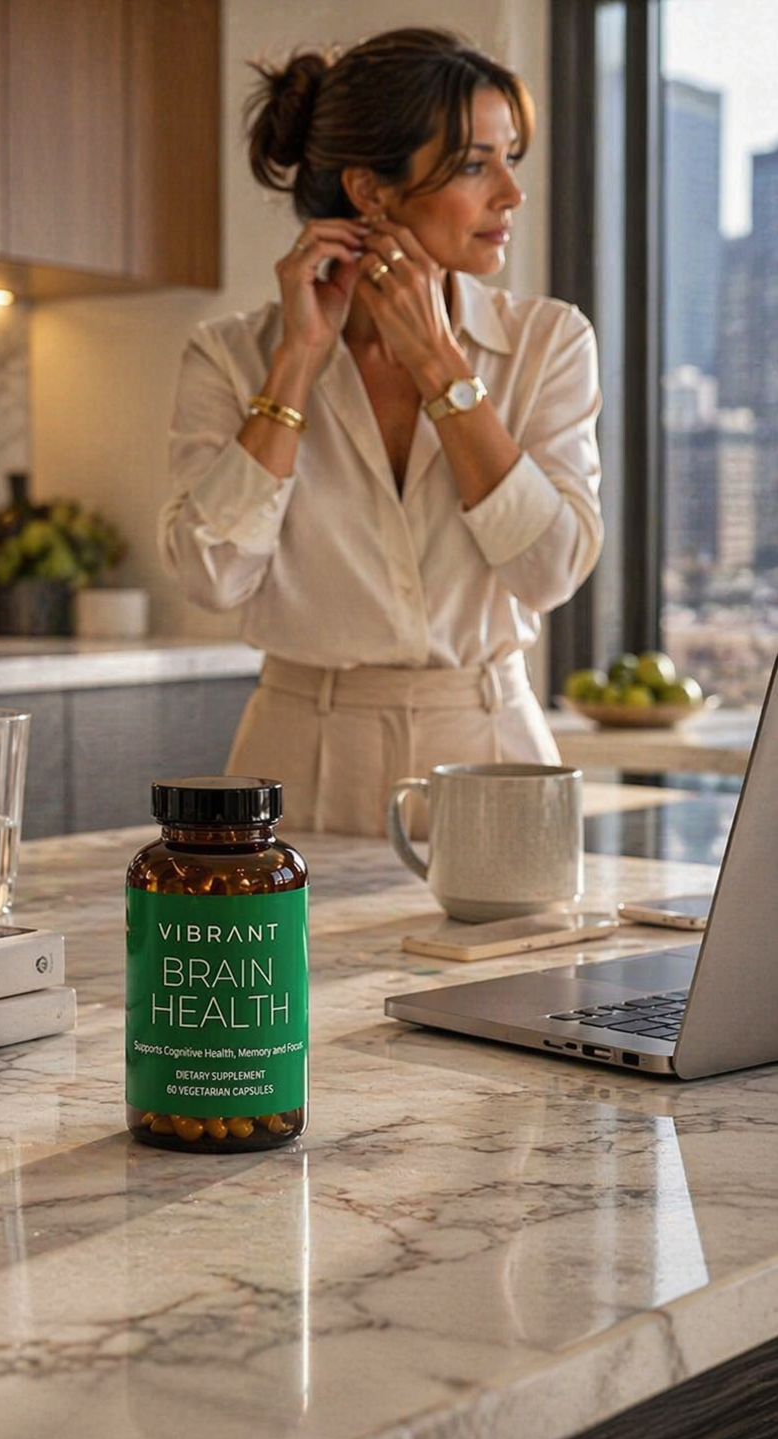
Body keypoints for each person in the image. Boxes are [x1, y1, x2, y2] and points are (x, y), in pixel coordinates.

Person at [159, 27, 603, 836]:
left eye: (511, 158)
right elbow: (213, 576)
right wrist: (295, 361)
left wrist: (439, 363)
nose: (511, 192)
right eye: (476, 164)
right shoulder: (230, 356)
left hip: (492, 750)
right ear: (369, 189)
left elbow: (550, 569)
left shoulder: (550, 344)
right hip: (298, 756)